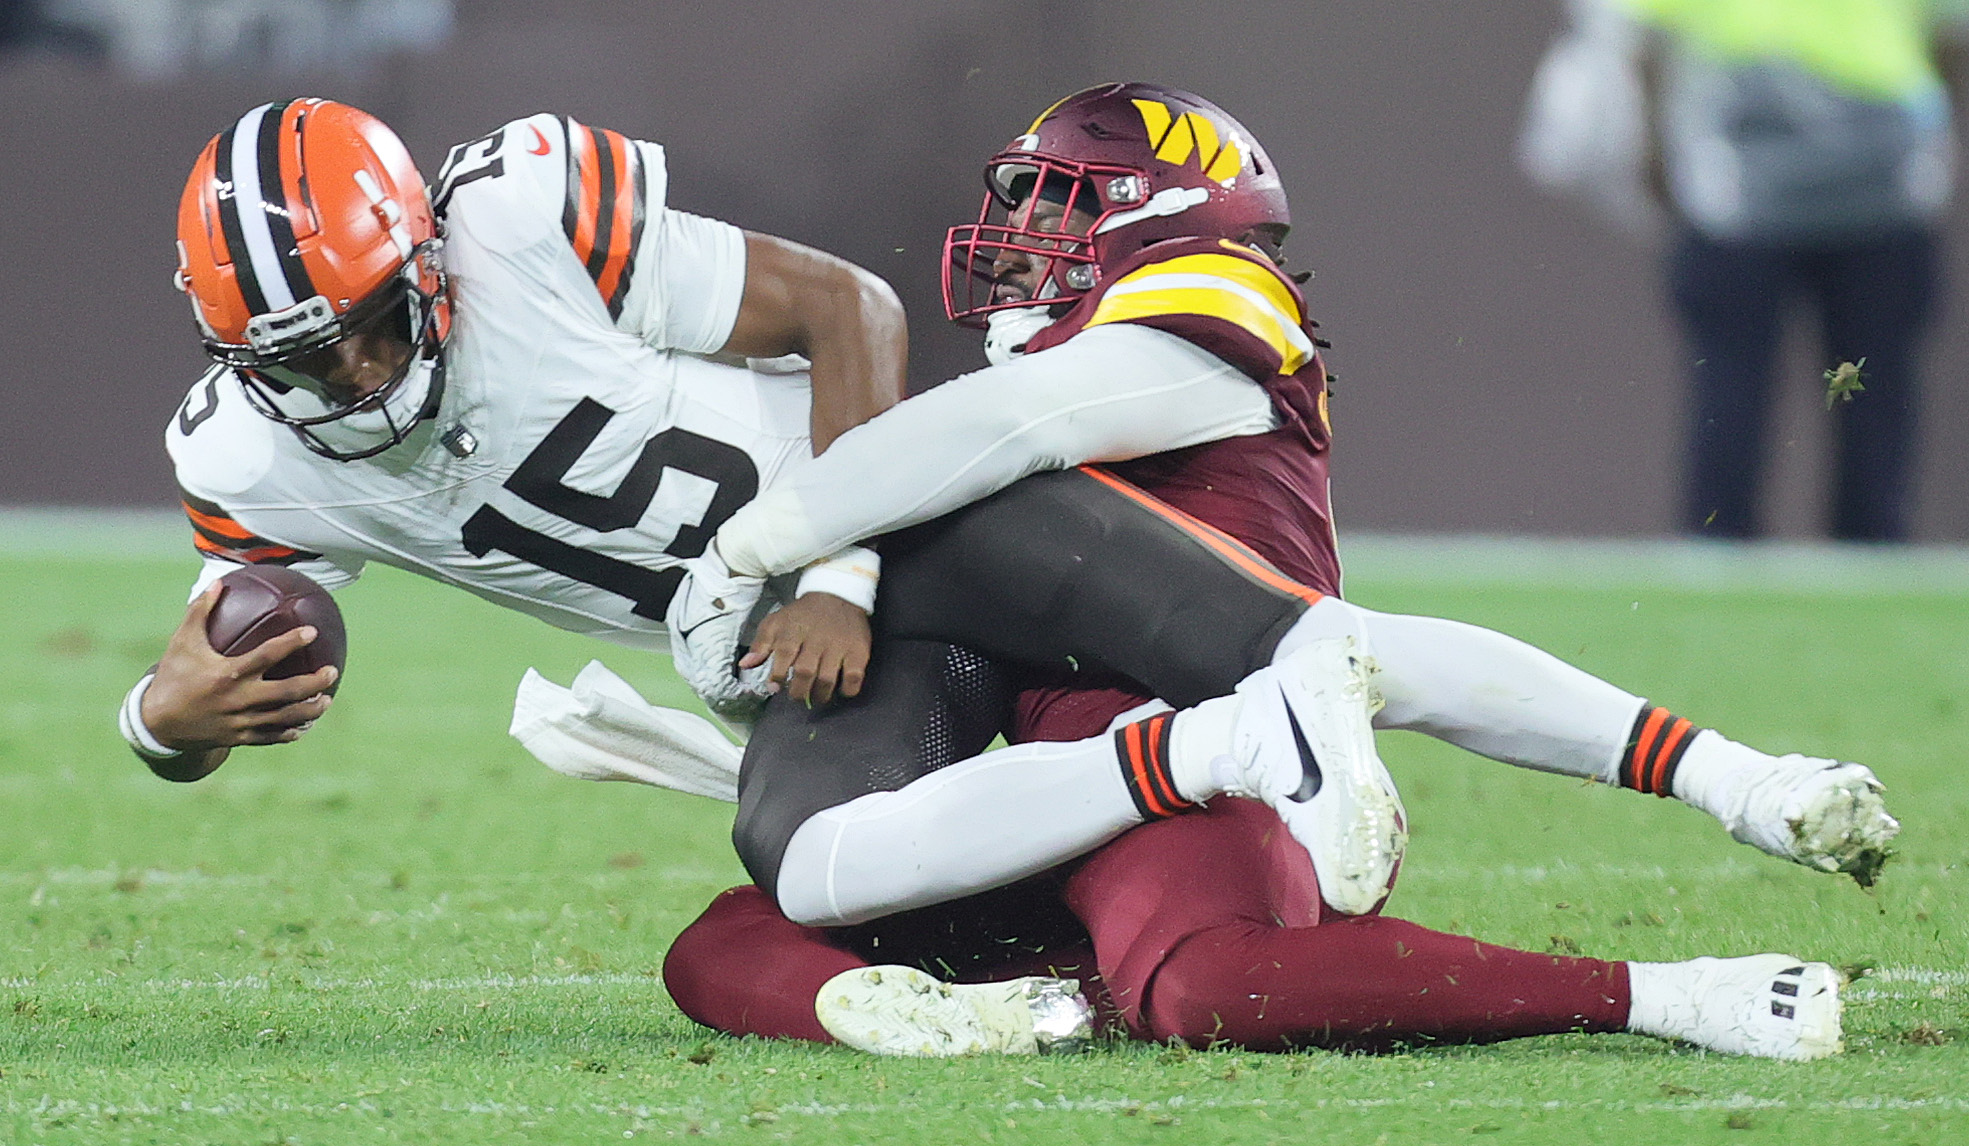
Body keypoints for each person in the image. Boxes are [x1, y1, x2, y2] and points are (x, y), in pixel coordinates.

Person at [635, 82, 1862, 1061]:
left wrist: (761, 547)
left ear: (1158, 216)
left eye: (1057, 202)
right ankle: (947, 1019)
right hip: (1062, 780)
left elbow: (1001, 436)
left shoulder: (1210, 311)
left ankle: (1669, 995)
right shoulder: (1012, 397)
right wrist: (815, 611)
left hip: (1226, 756)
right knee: (748, 922)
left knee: (1205, 982)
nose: (1017, 237)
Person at [1619, 0, 1969, 541]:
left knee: (1734, 383)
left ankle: (1720, 545)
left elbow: (1646, 43)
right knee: (1864, 389)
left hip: (1746, 170)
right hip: (1874, 168)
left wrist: (1656, 155)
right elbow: (1951, 41)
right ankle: (1868, 548)